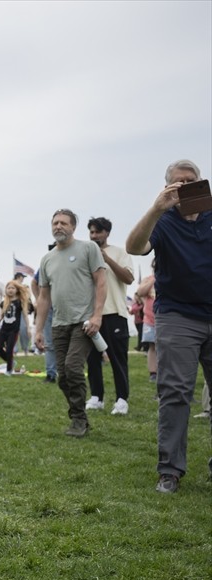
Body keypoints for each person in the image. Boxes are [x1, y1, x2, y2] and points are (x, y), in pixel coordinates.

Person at [125, 159, 212, 493]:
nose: (184, 187)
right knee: (175, 391)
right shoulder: (162, 221)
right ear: (166, 187)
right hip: (178, 315)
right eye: (177, 182)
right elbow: (135, 247)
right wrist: (155, 209)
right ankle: (170, 471)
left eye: (191, 181)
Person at [33, 209, 107, 438]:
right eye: (55, 222)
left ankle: (78, 419)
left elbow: (101, 282)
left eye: (64, 222)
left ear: (73, 226)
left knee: (73, 369)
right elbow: (44, 297)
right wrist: (38, 329)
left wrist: (97, 316)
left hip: (83, 322)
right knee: (63, 376)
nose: (58, 226)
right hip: (59, 324)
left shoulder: (88, 248)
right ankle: (80, 416)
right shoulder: (47, 259)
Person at [84, 217, 135, 417]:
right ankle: (97, 397)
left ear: (107, 233)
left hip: (115, 314)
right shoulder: (86, 254)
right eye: (91, 232)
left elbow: (129, 278)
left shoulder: (120, 253)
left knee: (117, 359)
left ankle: (122, 399)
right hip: (91, 314)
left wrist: (107, 259)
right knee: (92, 359)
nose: (94, 236)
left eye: (97, 232)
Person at [0, 282, 29, 374]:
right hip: (3, 329)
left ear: (17, 290)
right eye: (8, 288)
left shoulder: (19, 302)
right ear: (6, 290)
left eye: (13, 288)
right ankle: (10, 362)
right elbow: (1, 314)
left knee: (10, 349)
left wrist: (28, 328)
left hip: (13, 330)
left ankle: (9, 370)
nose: (10, 290)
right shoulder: (4, 302)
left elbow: (25, 316)